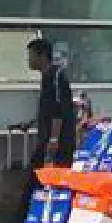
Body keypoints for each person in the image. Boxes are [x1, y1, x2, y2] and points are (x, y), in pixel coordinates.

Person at [27, 38, 78, 167]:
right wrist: (33, 122)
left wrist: (54, 139)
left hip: (60, 139)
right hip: (47, 137)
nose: (29, 60)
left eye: (31, 56)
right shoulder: (46, 76)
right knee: (37, 170)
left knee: (52, 175)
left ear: (42, 56)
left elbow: (58, 110)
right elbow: (48, 108)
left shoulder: (56, 76)